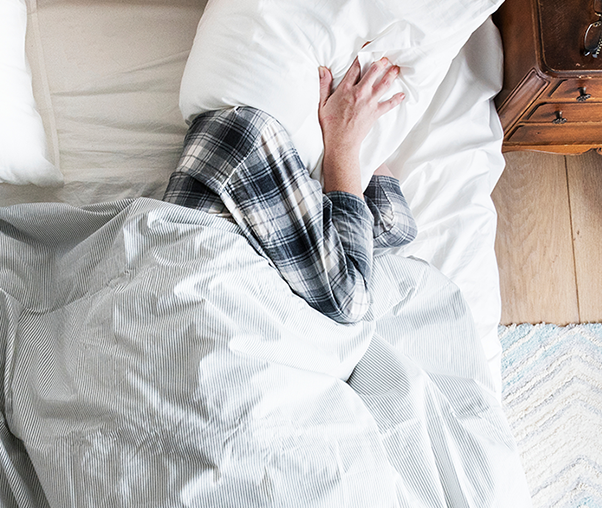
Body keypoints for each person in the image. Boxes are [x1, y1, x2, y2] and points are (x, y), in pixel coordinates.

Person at [164, 57, 416, 324]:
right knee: (393, 228)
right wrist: (346, 146)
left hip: (202, 303)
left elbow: (350, 299)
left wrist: (345, 145)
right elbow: (390, 224)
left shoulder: (243, 140)